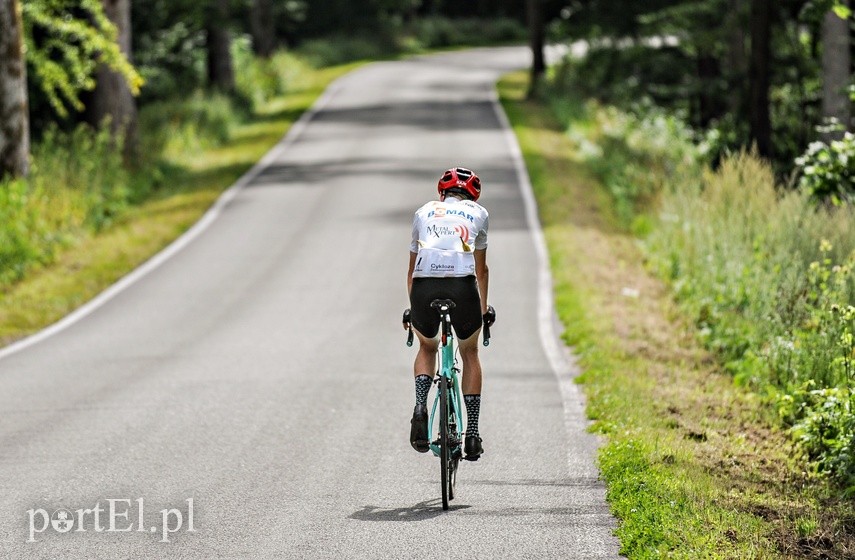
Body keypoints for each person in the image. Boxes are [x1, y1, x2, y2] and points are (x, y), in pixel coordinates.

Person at [405, 167, 496, 461]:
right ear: (472, 195)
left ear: (441, 193)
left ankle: (420, 405)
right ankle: (471, 433)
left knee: (426, 345)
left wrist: (413, 308)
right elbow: (480, 270)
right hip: (462, 285)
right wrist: (483, 312)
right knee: (469, 353)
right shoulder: (479, 213)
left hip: (423, 286)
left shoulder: (423, 212)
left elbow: (411, 270)